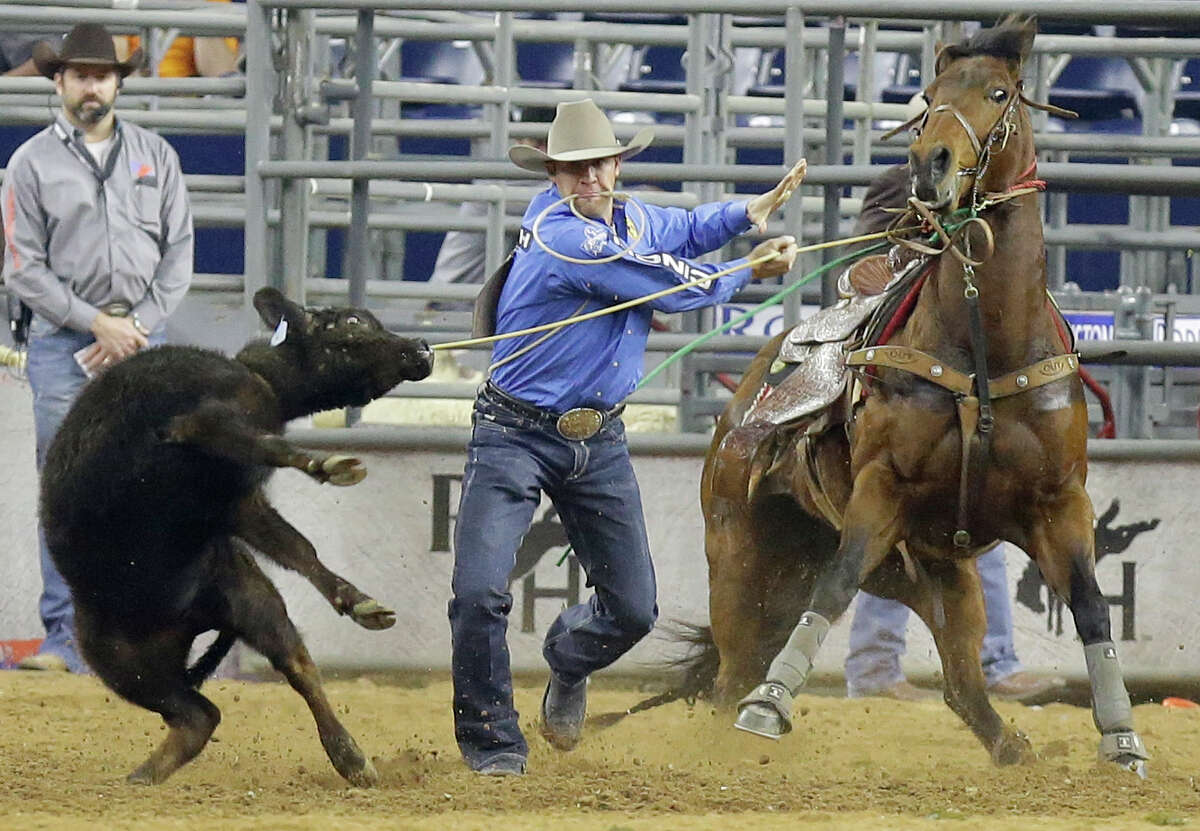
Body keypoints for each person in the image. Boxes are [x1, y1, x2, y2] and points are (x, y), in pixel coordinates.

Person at [449, 98, 806, 777]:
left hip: (597, 437)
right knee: (477, 592)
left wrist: (743, 214)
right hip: (512, 433)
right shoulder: (565, 238)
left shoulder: (632, 218)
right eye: (575, 170)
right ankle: (493, 743)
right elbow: (663, 286)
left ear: (616, 166)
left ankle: (568, 659)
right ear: (554, 176)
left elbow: (687, 227)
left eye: (599, 166)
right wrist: (746, 271)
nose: (589, 180)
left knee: (634, 608)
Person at [2, 23, 194, 673]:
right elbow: (22, 267)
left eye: (102, 75)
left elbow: (178, 256)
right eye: (80, 75)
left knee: (148, 486)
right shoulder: (29, 165)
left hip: (141, 339)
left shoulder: (157, 157)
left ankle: (140, 633)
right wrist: (97, 323)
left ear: (118, 83)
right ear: (58, 82)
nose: (92, 86)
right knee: (66, 487)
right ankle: (66, 637)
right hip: (64, 343)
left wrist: (135, 323)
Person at [841, 163, 1065, 704]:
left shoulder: (996, 195)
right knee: (904, 511)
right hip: (913, 384)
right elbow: (863, 269)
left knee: (966, 510)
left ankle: (978, 662)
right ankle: (888, 665)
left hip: (973, 379)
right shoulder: (904, 183)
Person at [426, 105, 556, 312]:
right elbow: (555, 200)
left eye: (549, 144)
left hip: (479, 308)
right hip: (451, 307)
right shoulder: (506, 180)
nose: (543, 153)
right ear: (519, 142)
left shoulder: (543, 183)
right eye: (537, 143)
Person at [116, 0, 241, 78]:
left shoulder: (214, 2)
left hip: (192, 102)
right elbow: (117, 70)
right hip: (135, 97)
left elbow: (221, 74)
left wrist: (200, 9)